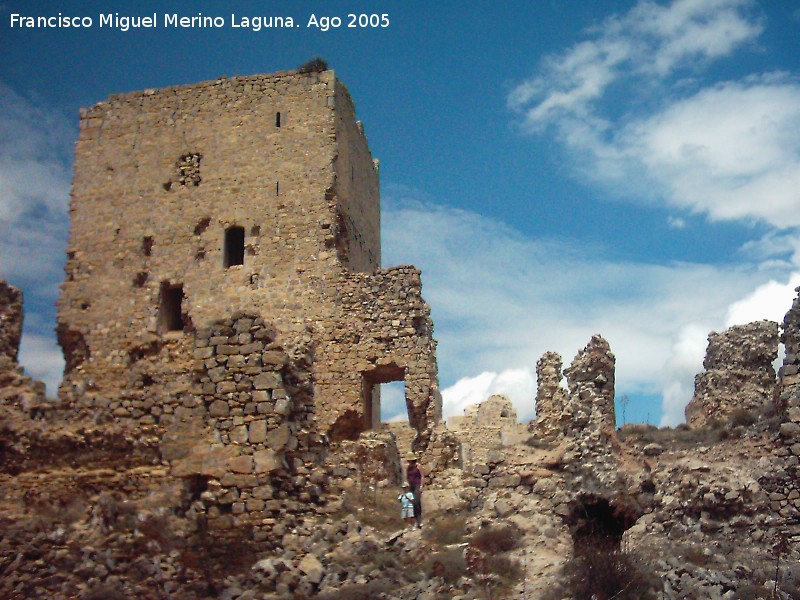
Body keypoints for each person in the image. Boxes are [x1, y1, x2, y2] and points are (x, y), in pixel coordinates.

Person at [405, 453, 423, 528]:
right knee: (412, 503)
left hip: (417, 485)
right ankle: (415, 520)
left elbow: (422, 476)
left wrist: (421, 486)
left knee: (416, 501)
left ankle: (419, 520)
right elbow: (407, 476)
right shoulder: (408, 467)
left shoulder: (418, 466)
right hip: (411, 486)